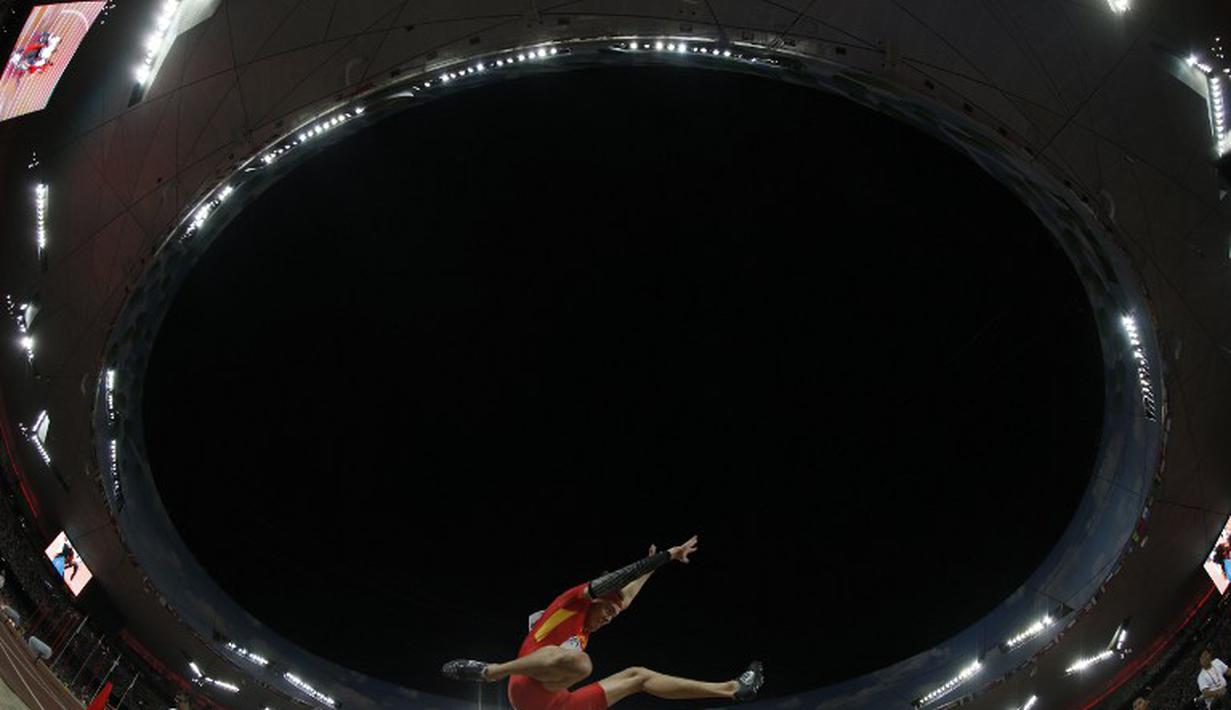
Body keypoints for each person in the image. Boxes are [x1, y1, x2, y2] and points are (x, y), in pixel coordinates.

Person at [442, 535, 764, 710]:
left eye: (613, 617)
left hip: (560, 705)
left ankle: (733, 690)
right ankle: (489, 671)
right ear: (596, 599)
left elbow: (629, 593)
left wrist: (653, 569)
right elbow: (621, 579)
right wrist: (661, 556)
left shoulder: (587, 626)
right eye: (606, 612)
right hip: (525, 689)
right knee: (582, 664)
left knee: (638, 676)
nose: (609, 620)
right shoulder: (571, 602)